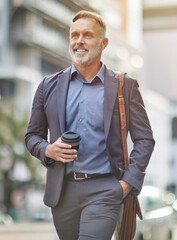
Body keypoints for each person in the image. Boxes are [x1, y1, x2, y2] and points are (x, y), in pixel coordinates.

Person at [25, 10, 155, 240]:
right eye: (74, 35)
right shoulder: (47, 86)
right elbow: (32, 136)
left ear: (103, 43)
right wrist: (47, 149)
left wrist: (126, 184)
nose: (79, 41)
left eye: (87, 35)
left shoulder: (125, 86)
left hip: (105, 189)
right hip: (63, 193)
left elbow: (144, 139)